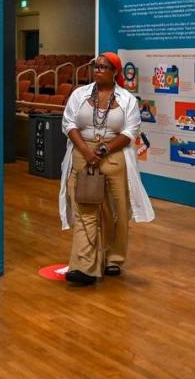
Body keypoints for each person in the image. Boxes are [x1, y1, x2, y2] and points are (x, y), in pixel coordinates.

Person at [59, 52, 155, 285]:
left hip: (114, 155)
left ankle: (113, 258)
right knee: (85, 208)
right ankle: (84, 266)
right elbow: (69, 123)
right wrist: (86, 150)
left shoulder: (127, 99)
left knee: (117, 211)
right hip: (83, 153)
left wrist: (103, 151)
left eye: (104, 67)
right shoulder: (79, 95)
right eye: (96, 66)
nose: (98, 70)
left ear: (115, 72)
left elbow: (130, 132)